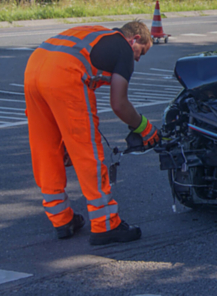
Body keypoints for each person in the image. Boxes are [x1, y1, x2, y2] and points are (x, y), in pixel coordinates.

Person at [24, 21, 160, 245]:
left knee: (45, 148)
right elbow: (119, 103)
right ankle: (106, 224)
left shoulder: (97, 33)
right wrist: (145, 127)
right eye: (141, 52)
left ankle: (61, 219)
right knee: (87, 152)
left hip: (33, 69)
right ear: (135, 39)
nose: (137, 59)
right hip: (65, 74)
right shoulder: (124, 49)